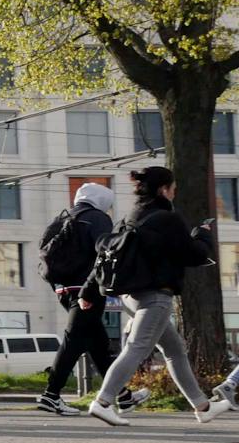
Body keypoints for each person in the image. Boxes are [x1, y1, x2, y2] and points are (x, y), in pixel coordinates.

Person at [87, 166, 232, 426]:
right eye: (173, 188)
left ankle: (203, 406)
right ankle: (103, 402)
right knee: (137, 348)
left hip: (131, 296)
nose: (174, 193)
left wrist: (87, 291)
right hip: (156, 296)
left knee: (175, 350)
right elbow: (194, 255)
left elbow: (110, 254)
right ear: (164, 190)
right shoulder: (168, 219)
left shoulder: (132, 217)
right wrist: (203, 236)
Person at [35, 183, 148, 416]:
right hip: (87, 289)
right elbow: (105, 253)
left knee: (98, 345)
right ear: (102, 201)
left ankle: (123, 396)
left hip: (62, 288)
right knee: (73, 340)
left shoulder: (63, 218)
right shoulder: (97, 218)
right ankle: (51, 395)